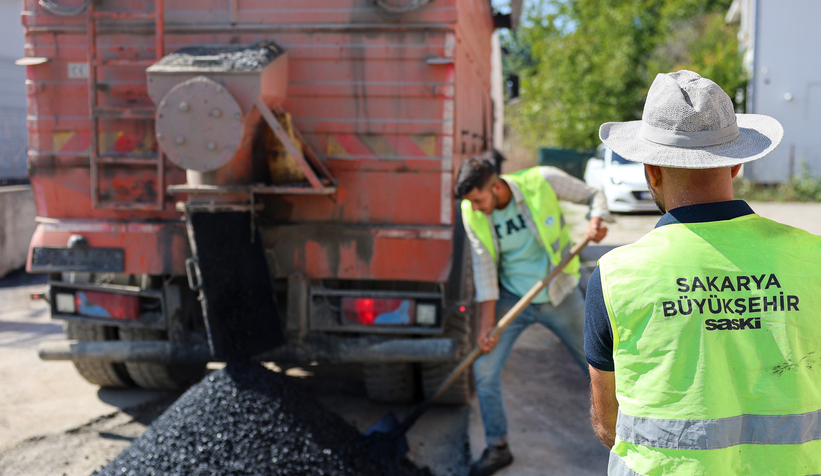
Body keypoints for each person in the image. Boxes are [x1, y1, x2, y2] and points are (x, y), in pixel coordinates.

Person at [585, 70, 821, 475]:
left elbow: (609, 426)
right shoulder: (812, 256)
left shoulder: (614, 276)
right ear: (736, 165)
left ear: (652, 171)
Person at [455, 154, 613, 476]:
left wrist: (596, 218)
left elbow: (593, 194)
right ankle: (498, 447)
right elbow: (484, 269)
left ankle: (628, 438)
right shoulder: (471, 211)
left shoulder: (543, 180)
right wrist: (486, 327)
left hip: (559, 294)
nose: (475, 207)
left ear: (496, 187)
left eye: (479, 200)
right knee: (485, 371)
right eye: (470, 202)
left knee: (600, 366)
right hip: (513, 298)